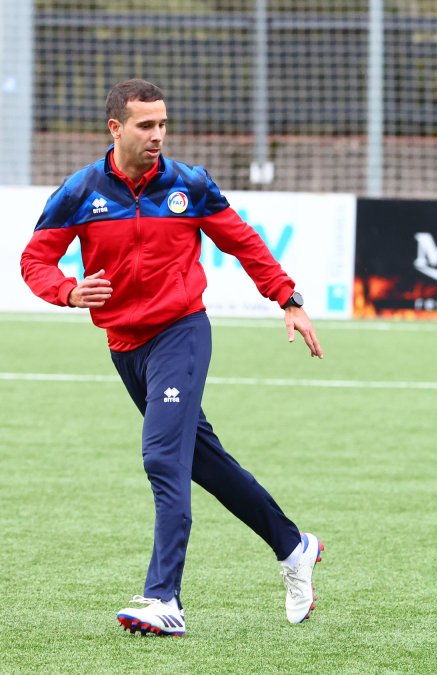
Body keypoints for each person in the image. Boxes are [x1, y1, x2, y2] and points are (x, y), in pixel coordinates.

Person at [20, 79, 325, 637]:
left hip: (181, 334)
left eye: (163, 123)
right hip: (124, 347)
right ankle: (293, 545)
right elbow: (34, 260)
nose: (158, 134)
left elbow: (244, 242)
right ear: (116, 128)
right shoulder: (79, 192)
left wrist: (289, 298)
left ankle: (164, 599)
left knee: (162, 456)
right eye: (146, 125)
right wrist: (66, 290)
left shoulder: (190, 185)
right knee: (202, 461)